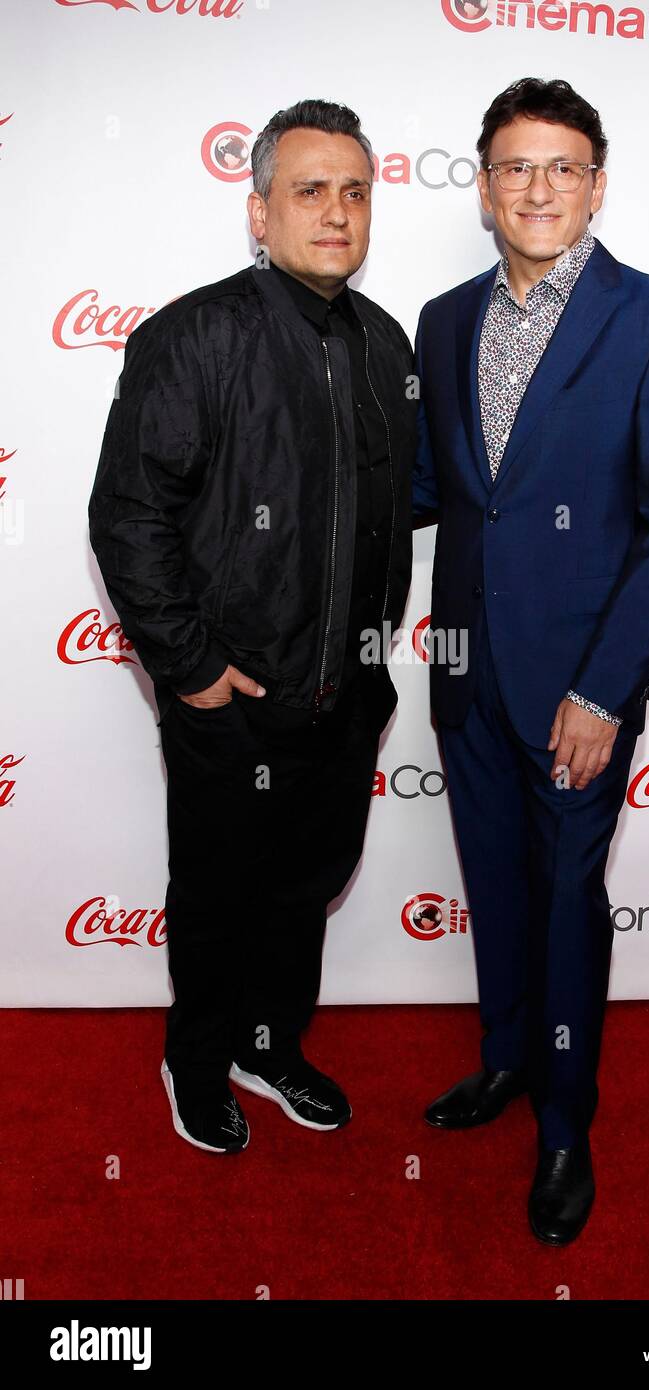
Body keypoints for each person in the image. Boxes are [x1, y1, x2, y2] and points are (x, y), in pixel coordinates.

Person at [413, 77, 649, 1243]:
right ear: (483, 184)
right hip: (466, 674)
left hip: (579, 688)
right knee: (495, 886)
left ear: (596, 182)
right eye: (514, 167)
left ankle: (562, 1128)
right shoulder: (443, 320)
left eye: (562, 167)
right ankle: (503, 1064)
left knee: (565, 906)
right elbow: (441, 495)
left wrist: (602, 689)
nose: (537, 189)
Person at [88, 99, 415, 1154]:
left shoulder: (383, 344)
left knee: (303, 894)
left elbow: (390, 517)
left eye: (355, 192)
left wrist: (369, 662)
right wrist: (191, 667)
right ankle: (196, 1060)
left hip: (342, 699)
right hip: (231, 702)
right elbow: (130, 512)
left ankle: (269, 1048)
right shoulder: (196, 335)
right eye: (310, 189)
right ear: (259, 211)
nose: (336, 212)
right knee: (221, 896)